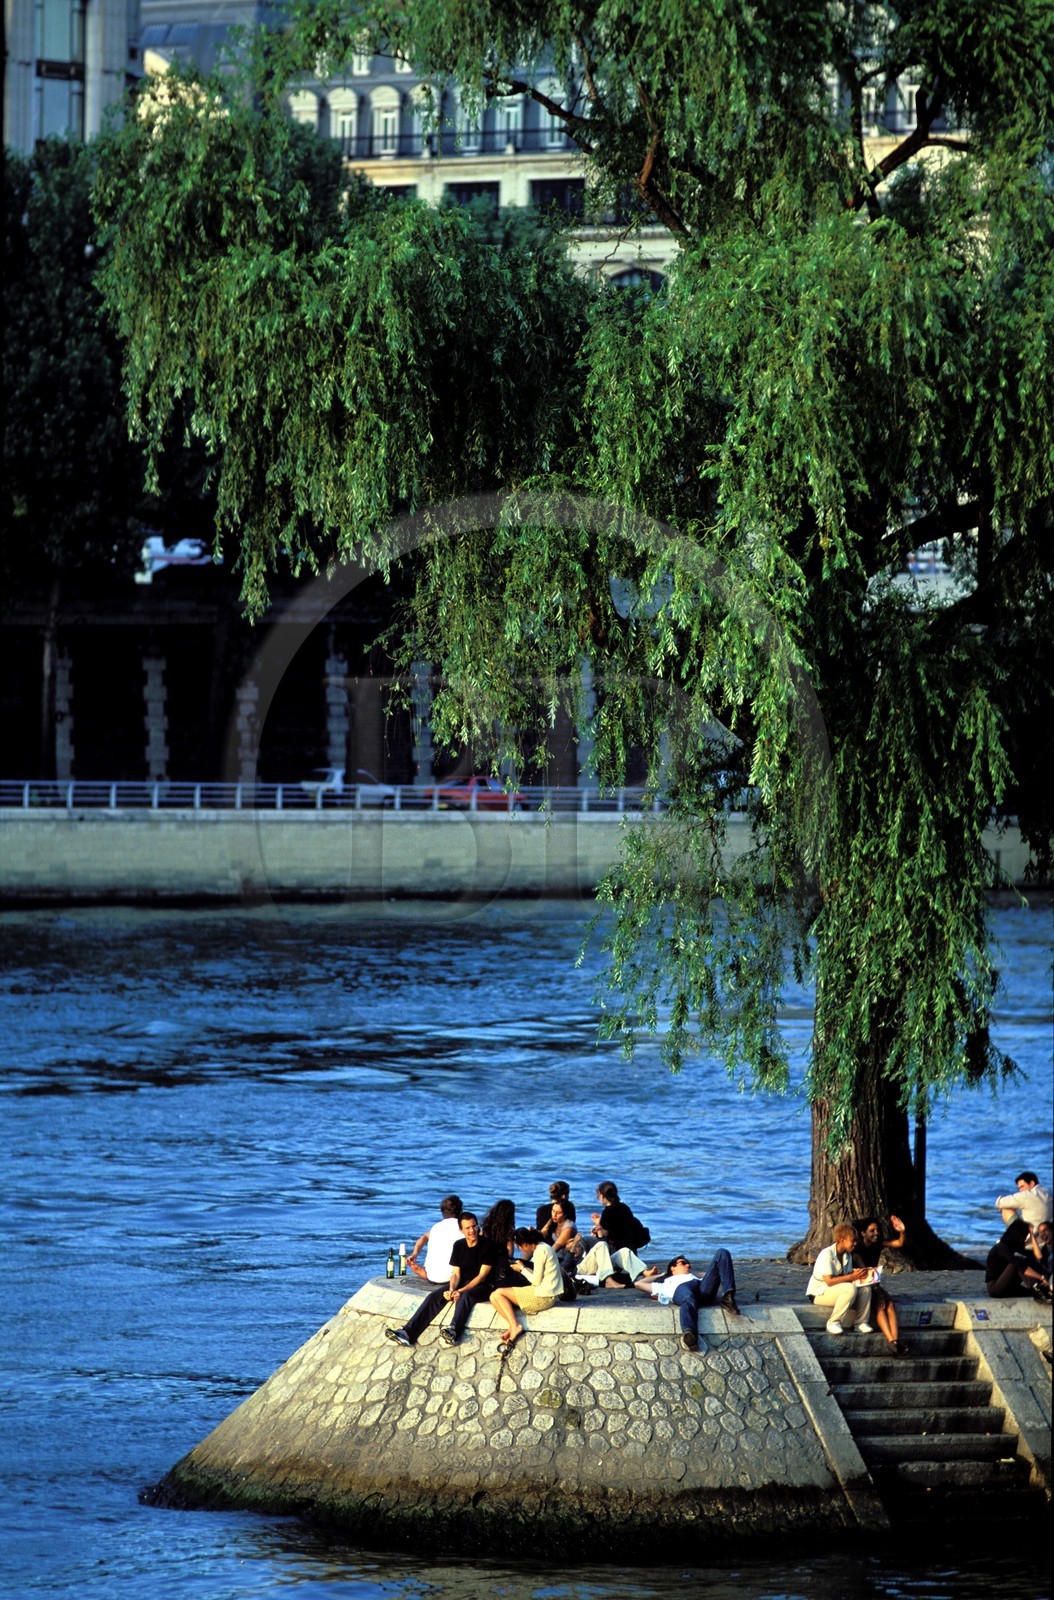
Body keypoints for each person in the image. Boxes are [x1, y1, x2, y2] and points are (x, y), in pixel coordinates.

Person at [385, 1212, 502, 1348]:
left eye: (474, 1226)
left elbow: (481, 1276)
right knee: (434, 1296)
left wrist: (460, 1291)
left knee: (466, 1296)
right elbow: (456, 1274)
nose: (472, 1231)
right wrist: (452, 1289)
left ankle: (454, 1331)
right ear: (461, 1230)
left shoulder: (488, 1246)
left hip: (484, 1285)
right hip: (463, 1282)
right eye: (468, 1228)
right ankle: (408, 1333)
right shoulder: (458, 1245)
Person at [636, 1250, 742, 1350]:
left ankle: (728, 1297)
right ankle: (689, 1334)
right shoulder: (665, 1283)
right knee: (688, 1298)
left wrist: (691, 1273)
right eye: (683, 1263)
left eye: (688, 1265)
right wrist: (661, 1275)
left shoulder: (694, 1277)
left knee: (722, 1252)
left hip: (702, 1289)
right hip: (681, 1290)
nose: (687, 1265)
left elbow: (718, 1270)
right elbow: (639, 1284)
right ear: (672, 1268)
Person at [489, 1227, 563, 1349]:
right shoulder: (543, 1246)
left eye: (519, 1246)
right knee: (492, 1296)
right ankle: (512, 1326)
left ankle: (515, 1326)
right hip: (544, 1291)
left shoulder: (540, 1251)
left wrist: (522, 1269)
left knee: (498, 1294)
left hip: (544, 1295)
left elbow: (536, 1280)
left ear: (524, 1243)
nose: (519, 1249)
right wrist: (523, 1267)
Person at [854, 1215, 908, 1356]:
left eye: (877, 1230)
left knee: (889, 1304)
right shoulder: (857, 1251)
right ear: (863, 1233)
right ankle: (891, 1341)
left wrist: (902, 1231)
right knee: (879, 1304)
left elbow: (899, 1243)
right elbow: (865, 1273)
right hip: (862, 1285)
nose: (876, 1233)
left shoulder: (877, 1245)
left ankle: (895, 1342)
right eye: (872, 1231)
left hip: (873, 1282)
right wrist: (877, 1291)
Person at [806, 1224, 873, 1335]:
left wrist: (860, 1275)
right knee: (850, 1288)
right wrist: (851, 1277)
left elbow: (846, 1274)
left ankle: (861, 1323)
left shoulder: (847, 1255)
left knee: (866, 1288)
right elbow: (829, 1281)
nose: (855, 1243)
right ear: (842, 1240)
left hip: (837, 1289)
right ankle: (833, 1322)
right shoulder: (827, 1254)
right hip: (819, 1292)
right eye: (853, 1241)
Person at [986, 1218, 1054, 1300]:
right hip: (995, 1288)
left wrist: (1032, 1234)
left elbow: (1038, 1256)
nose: (1024, 1240)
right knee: (1017, 1262)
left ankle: (1045, 1287)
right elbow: (1019, 1265)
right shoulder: (1001, 1247)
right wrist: (1041, 1277)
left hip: (1010, 1286)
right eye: (1024, 1236)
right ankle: (1037, 1287)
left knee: (1028, 1261)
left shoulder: (1013, 1247)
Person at [406, 1194, 463, 1284]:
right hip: (452, 1278)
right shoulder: (463, 1227)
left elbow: (424, 1237)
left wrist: (415, 1254)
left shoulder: (435, 1227)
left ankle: (423, 1271)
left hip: (432, 1277)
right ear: (461, 1211)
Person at [994, 1171, 1052, 1251]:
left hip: (1028, 1239)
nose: (1020, 1190)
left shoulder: (1027, 1195)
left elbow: (999, 1202)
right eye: (1019, 1188)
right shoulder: (1050, 1191)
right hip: (1047, 1236)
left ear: (1031, 1183)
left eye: (1022, 1187)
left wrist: (1017, 1204)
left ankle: (1011, 1239)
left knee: (1006, 1208)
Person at [589, 1181, 650, 1254]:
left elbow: (603, 1236)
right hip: (631, 1247)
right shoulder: (624, 1207)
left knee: (586, 1241)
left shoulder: (608, 1212)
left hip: (617, 1249)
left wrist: (597, 1224)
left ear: (602, 1196)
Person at [480, 1198, 519, 1285]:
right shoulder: (508, 1231)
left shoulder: (485, 1228)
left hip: (485, 1261)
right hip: (501, 1264)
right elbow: (510, 1253)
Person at [548, 1200, 585, 1268]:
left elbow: (555, 1248)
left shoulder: (569, 1227)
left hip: (565, 1260)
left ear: (565, 1214)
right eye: (553, 1211)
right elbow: (542, 1233)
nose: (554, 1215)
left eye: (558, 1213)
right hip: (555, 1258)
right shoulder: (554, 1222)